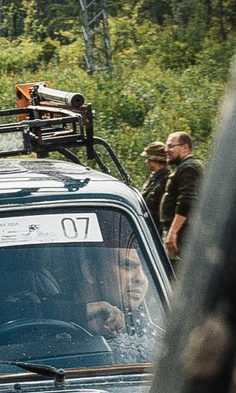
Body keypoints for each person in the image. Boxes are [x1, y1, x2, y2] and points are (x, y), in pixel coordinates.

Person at [78, 244, 163, 364]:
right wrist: (79, 312)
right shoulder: (51, 313)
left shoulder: (148, 329)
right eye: (127, 265)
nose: (141, 278)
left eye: (147, 270)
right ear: (91, 271)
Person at [159, 131, 203, 260]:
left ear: (184, 147)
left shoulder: (189, 167)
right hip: (179, 233)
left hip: (181, 235)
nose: (166, 150)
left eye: (170, 146)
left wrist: (173, 232)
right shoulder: (183, 167)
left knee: (174, 273)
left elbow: (186, 200)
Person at [139, 142, 170, 226]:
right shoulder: (154, 179)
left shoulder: (166, 181)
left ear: (159, 161)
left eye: (149, 159)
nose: (147, 162)